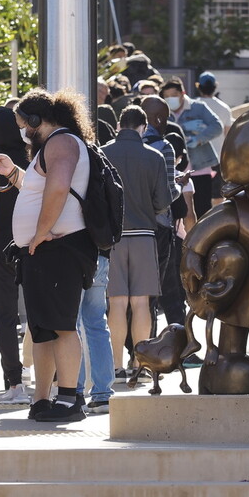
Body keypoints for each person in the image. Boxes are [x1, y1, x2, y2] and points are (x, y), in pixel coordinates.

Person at [0, 88, 99, 423]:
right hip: (43, 250)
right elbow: (41, 187)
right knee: (42, 328)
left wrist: (39, 232)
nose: (23, 132)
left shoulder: (62, 143)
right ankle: (42, 399)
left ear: (38, 120)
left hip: (58, 248)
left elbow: (59, 187)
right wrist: (12, 172)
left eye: (25, 124)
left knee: (62, 325)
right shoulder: (51, 146)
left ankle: (69, 398)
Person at [102, 106, 171, 381]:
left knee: (116, 303)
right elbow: (163, 202)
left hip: (113, 237)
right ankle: (140, 364)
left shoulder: (103, 153)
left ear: (120, 125)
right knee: (141, 303)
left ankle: (116, 366)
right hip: (144, 234)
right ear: (143, 127)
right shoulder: (153, 157)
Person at [0, 106, 32, 405]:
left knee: (3, 317)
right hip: (30, 245)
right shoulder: (30, 161)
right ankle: (50, 377)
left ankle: (13, 382)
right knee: (39, 314)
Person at [139, 95, 186, 328]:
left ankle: (136, 349)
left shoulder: (124, 146)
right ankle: (167, 346)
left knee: (136, 295)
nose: (166, 123)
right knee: (163, 289)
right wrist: (180, 183)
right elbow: (166, 195)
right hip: (159, 226)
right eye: (165, 118)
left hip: (131, 228)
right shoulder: (164, 147)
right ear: (157, 118)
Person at [159, 77, 222, 219]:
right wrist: (182, 128)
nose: (170, 99)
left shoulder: (198, 108)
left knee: (203, 209)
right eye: (167, 96)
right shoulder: (163, 111)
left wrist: (199, 139)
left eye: (174, 95)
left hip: (200, 167)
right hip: (176, 170)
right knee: (180, 211)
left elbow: (217, 126)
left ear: (182, 93)